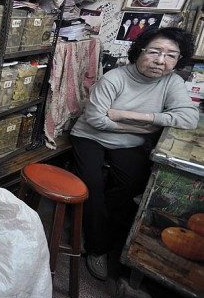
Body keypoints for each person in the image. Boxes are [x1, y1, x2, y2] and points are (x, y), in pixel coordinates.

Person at [69, 27, 198, 281]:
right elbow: (95, 119)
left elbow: (189, 117)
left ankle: (101, 231)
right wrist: (145, 127)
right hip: (90, 136)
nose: (161, 60)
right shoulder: (115, 79)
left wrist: (131, 116)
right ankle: (97, 248)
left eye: (171, 55)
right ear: (139, 51)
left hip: (128, 140)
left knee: (132, 184)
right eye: (155, 52)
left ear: (178, 60)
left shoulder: (171, 82)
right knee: (91, 185)